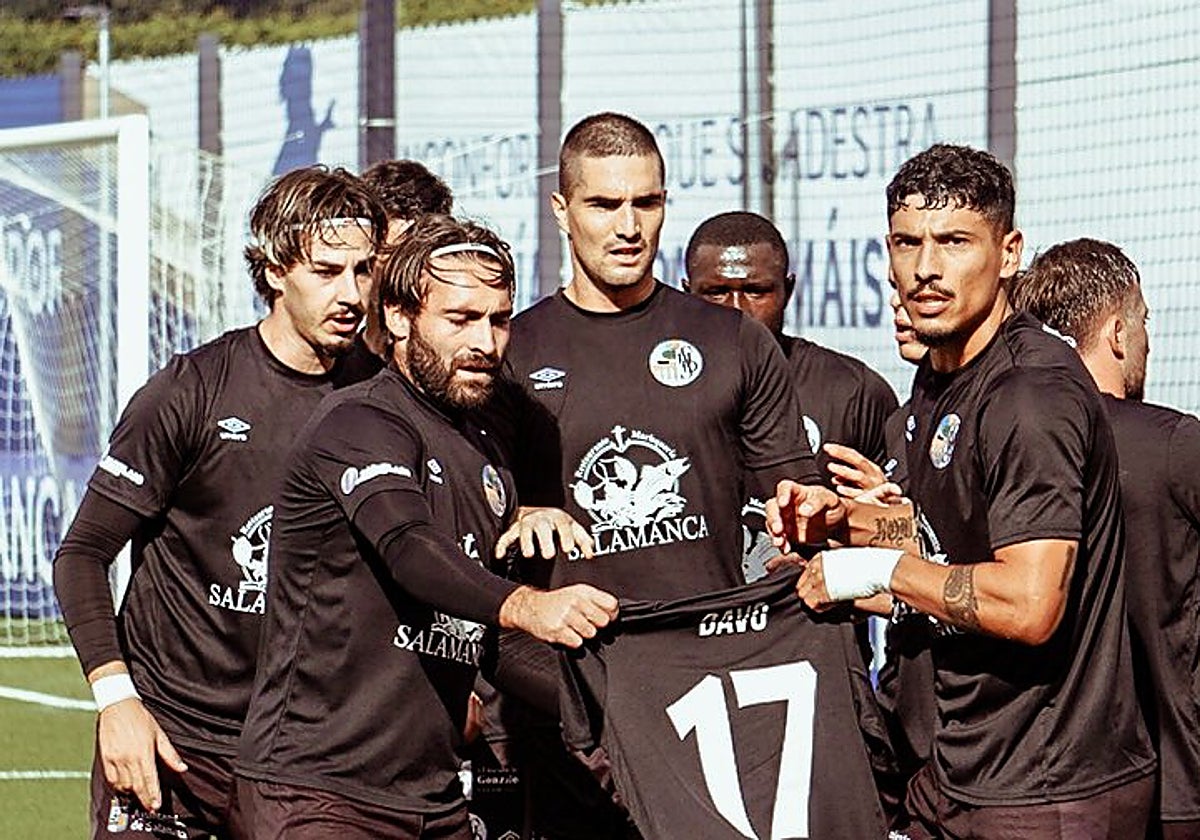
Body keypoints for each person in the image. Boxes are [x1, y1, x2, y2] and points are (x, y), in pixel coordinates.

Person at [767, 144, 1155, 839]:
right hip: (955, 773)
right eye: (907, 243)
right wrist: (840, 525)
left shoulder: (1031, 395)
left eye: (953, 243)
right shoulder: (938, 379)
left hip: (1047, 790)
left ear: (1008, 253)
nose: (925, 268)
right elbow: (943, 543)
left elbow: (1030, 603)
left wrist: (869, 569)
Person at [235, 214, 618, 839]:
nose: (486, 343)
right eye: (460, 319)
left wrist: (614, 703)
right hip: (320, 794)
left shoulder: (488, 447)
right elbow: (410, 550)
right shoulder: (359, 421)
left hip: (432, 798)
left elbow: (490, 638)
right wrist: (530, 606)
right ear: (397, 317)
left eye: (498, 320)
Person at [52, 165, 389, 839]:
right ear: (271, 270)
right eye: (327, 271)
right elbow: (83, 555)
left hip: (306, 759)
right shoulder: (192, 391)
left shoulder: (383, 402)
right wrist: (117, 702)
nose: (351, 293)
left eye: (364, 271)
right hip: (171, 743)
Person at [499, 112, 818, 600]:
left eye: (645, 203)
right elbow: (471, 509)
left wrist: (813, 526)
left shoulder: (735, 341)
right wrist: (517, 512)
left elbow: (798, 504)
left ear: (664, 203)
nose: (629, 227)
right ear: (562, 210)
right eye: (604, 205)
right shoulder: (513, 351)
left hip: (704, 652)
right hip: (572, 658)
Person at [1014, 238, 1200, 840]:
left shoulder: (1008, 446)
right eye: (1143, 322)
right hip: (1177, 777)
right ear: (1118, 333)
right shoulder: (1173, 443)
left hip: (1054, 782)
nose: (1148, 340)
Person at [683, 210, 897, 486]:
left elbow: (894, 514)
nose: (737, 309)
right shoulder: (658, 391)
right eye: (716, 292)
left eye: (756, 291)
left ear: (788, 290)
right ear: (687, 294)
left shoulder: (852, 393)